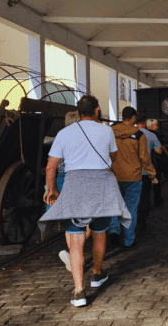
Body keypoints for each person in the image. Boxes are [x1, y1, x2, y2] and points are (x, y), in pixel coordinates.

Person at [39, 94, 131, 308]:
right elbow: (113, 157)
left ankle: (79, 291)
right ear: (97, 111)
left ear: (79, 113)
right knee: (99, 233)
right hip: (102, 187)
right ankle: (97, 274)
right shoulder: (106, 131)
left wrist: (50, 189)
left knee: (76, 240)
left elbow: (51, 166)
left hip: (75, 187)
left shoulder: (64, 133)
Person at [109, 106, 157, 249]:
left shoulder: (111, 132)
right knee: (130, 208)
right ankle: (129, 240)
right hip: (133, 177)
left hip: (114, 175)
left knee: (115, 206)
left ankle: (113, 231)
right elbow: (144, 158)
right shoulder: (139, 134)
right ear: (134, 117)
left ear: (123, 117)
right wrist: (152, 174)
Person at [46, 110, 82, 273]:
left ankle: (72, 256)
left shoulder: (60, 137)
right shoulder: (83, 138)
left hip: (61, 179)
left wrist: (50, 188)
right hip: (77, 179)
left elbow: (50, 166)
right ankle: (71, 254)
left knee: (71, 221)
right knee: (86, 221)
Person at [135, 113, 161, 229]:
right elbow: (159, 151)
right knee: (145, 197)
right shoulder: (151, 135)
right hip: (145, 171)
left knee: (131, 197)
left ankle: (130, 221)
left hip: (131, 171)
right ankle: (142, 220)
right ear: (145, 122)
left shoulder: (130, 133)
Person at [147, 118, 168, 206]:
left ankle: (147, 201)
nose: (158, 127)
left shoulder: (143, 133)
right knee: (156, 180)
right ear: (152, 126)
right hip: (154, 160)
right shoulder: (154, 134)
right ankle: (157, 199)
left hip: (146, 161)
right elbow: (160, 147)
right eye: (156, 125)